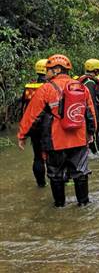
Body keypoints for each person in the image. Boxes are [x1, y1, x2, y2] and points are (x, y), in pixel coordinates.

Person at [17, 54, 97, 207]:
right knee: (81, 173)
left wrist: (22, 135)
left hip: (56, 141)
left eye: (48, 70)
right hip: (79, 139)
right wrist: (91, 133)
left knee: (55, 175)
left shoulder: (46, 89)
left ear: (57, 70)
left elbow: (31, 115)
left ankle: (60, 207)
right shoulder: (81, 87)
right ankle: (84, 205)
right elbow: (90, 113)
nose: (46, 73)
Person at [19, 58, 48, 187]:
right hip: (48, 125)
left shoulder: (28, 87)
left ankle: (41, 184)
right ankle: (60, 182)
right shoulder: (50, 87)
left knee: (37, 157)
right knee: (56, 155)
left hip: (33, 126)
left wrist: (23, 132)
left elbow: (23, 109)